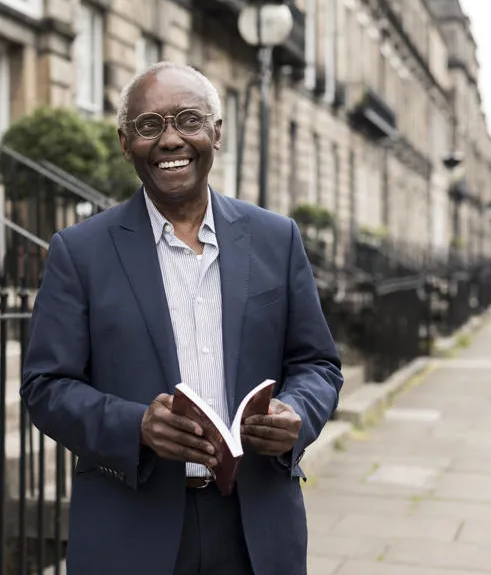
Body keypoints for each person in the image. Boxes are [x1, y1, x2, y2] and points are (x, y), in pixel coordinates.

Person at [20, 62, 343, 574]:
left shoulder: (276, 238)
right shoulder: (80, 252)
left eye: (189, 120)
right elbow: (45, 387)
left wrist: (298, 413)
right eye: (149, 125)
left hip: (257, 528)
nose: (170, 139)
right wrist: (135, 426)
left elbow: (317, 363)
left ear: (217, 133)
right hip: (131, 529)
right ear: (125, 143)